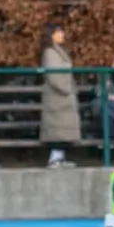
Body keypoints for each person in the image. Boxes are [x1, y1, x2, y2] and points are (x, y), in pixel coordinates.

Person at [40, 24, 81, 168]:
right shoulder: (50, 52)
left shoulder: (57, 51)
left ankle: (60, 157)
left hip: (62, 97)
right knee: (57, 129)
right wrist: (67, 89)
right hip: (57, 97)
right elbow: (54, 76)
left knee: (63, 130)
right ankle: (55, 158)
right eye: (58, 32)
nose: (62, 34)